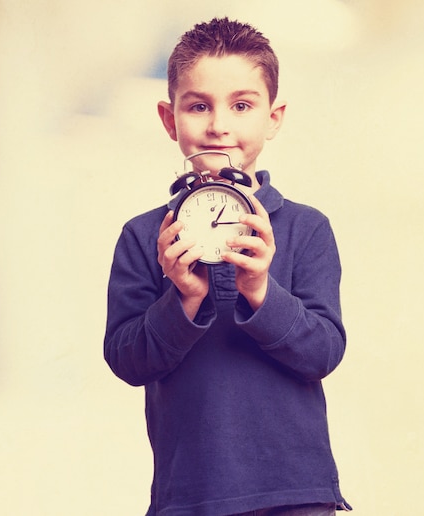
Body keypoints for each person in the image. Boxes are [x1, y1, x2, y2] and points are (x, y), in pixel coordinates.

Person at [104, 17, 351, 516]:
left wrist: (261, 289)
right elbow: (126, 360)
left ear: (273, 118)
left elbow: (324, 351)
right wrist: (184, 299)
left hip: (295, 493)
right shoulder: (143, 237)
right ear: (169, 119)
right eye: (198, 106)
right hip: (191, 494)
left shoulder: (307, 229)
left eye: (242, 105)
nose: (219, 124)